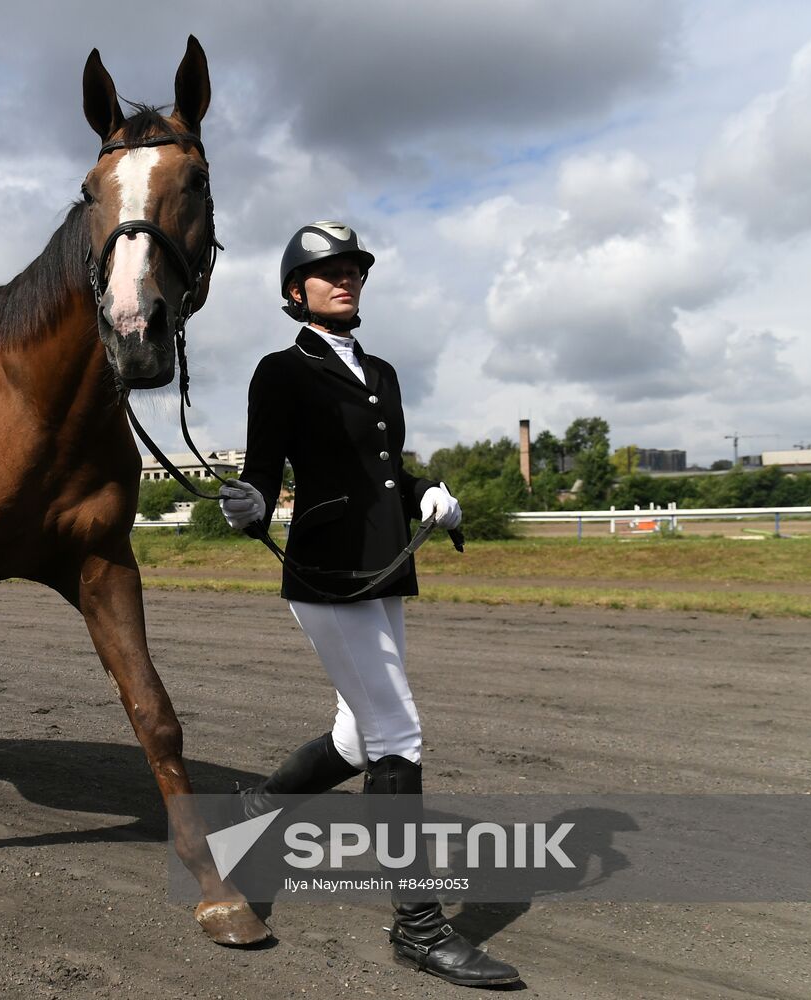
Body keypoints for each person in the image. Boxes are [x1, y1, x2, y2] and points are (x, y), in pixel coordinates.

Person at [218, 221, 519, 987]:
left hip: (382, 568)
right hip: (326, 572)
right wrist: (248, 501)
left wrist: (430, 494)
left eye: (351, 268)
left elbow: (383, 466)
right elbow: (261, 471)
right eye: (326, 272)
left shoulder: (380, 371)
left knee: (357, 736)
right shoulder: (279, 372)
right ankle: (418, 928)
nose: (343, 279)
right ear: (296, 292)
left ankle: (254, 807)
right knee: (397, 734)